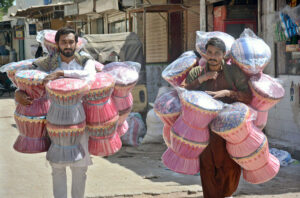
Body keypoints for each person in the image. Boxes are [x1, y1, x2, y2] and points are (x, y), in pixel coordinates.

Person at [15, 27, 96, 198]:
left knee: (80, 167)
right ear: (57, 44)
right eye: (64, 42)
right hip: (54, 117)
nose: (68, 45)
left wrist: (61, 73)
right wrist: (18, 93)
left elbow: (89, 77)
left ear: (76, 43)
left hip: (79, 117)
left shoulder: (85, 61)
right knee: (57, 167)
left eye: (71, 42)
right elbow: (28, 79)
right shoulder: (47, 63)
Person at [185, 37, 252, 198]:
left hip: (229, 128)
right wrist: (202, 79)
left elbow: (248, 96)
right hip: (204, 129)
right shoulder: (197, 72)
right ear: (205, 54)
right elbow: (183, 93)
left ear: (224, 55)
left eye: (217, 53)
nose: (213, 56)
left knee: (229, 166)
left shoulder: (233, 72)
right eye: (209, 52)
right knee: (208, 167)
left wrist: (227, 93)